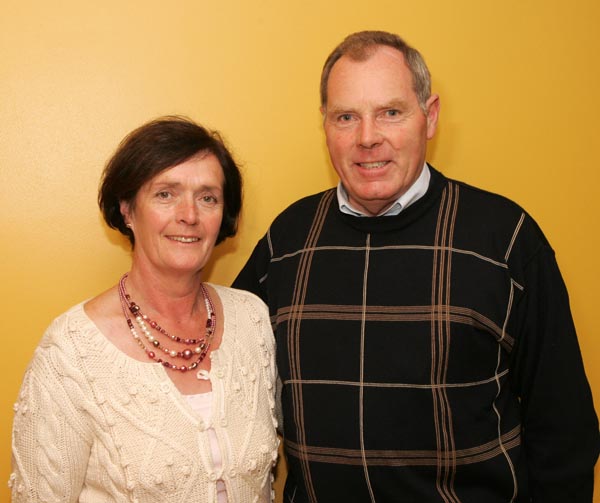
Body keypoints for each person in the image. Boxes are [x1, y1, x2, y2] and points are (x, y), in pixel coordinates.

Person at [233, 31, 599, 502]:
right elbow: (222, 376)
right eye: (346, 117)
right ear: (324, 123)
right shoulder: (287, 240)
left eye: (391, 112)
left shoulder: (506, 239)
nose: (368, 138)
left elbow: (563, 426)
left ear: (430, 117)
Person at [10, 116, 279, 502]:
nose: (189, 215)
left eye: (208, 197)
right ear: (127, 209)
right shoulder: (71, 353)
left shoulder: (250, 319)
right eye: (166, 194)